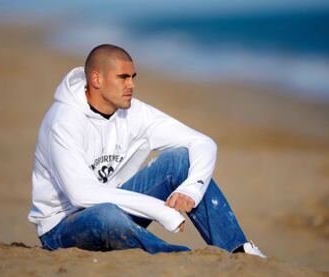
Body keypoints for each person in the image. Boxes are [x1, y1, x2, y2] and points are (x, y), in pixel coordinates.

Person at [28, 44, 265, 257]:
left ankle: (238, 249)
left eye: (132, 77)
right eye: (122, 77)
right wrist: (161, 211)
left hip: (118, 207)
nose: (131, 85)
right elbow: (81, 194)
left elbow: (202, 143)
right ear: (96, 79)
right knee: (106, 214)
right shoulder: (63, 121)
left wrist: (191, 190)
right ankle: (179, 256)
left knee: (179, 160)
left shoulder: (133, 112)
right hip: (63, 228)